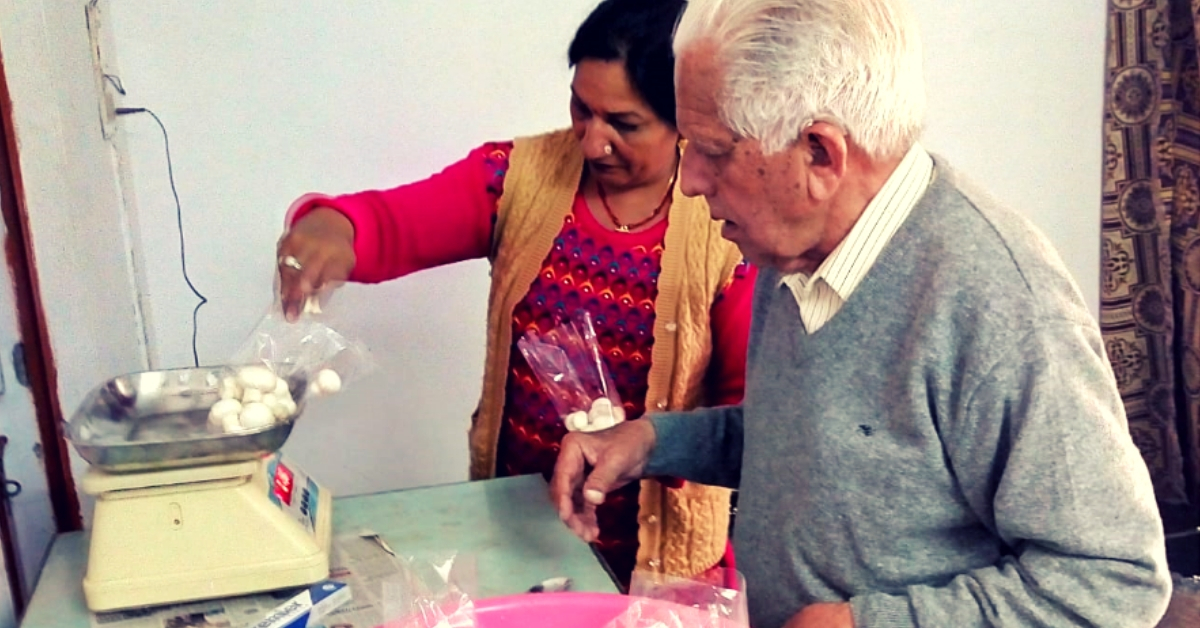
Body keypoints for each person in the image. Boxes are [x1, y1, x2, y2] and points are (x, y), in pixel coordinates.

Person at [550, 0, 1173, 625]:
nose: (690, 181)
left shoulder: (1000, 307)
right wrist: (653, 439)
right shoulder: (795, 244)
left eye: (712, 150)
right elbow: (815, 440)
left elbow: (1113, 582)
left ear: (820, 154)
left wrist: (866, 624)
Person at [274, 0, 755, 586]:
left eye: (623, 125)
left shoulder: (726, 226)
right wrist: (334, 226)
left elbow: (745, 416)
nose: (591, 142)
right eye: (582, 109)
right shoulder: (518, 177)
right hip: (521, 533)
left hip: (665, 564)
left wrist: (649, 450)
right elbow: (391, 224)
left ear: (683, 117)